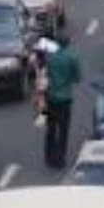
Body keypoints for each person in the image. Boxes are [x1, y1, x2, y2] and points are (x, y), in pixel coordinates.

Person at [38, 31, 80, 169]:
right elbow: (77, 78)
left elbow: (44, 76)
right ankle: (60, 159)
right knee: (63, 130)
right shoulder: (72, 58)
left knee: (51, 128)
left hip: (51, 97)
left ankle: (49, 157)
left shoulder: (49, 58)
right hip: (65, 97)